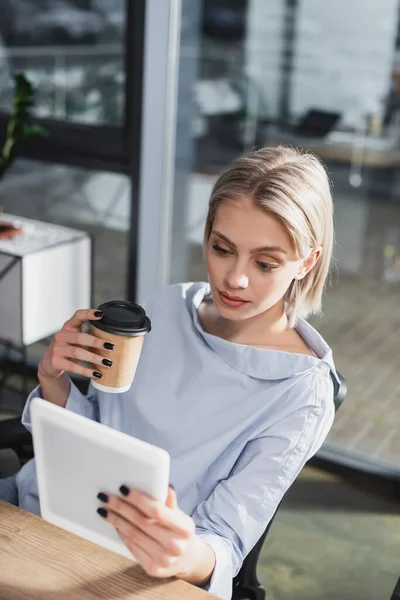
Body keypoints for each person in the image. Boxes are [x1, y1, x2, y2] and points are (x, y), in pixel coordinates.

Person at [0, 146, 339, 600]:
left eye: (265, 263)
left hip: (131, 570)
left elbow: (225, 542)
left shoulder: (301, 392)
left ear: (307, 261)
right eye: (222, 249)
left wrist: (182, 556)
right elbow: (97, 431)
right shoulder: (168, 305)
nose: (234, 279)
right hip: (34, 511)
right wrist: (55, 381)